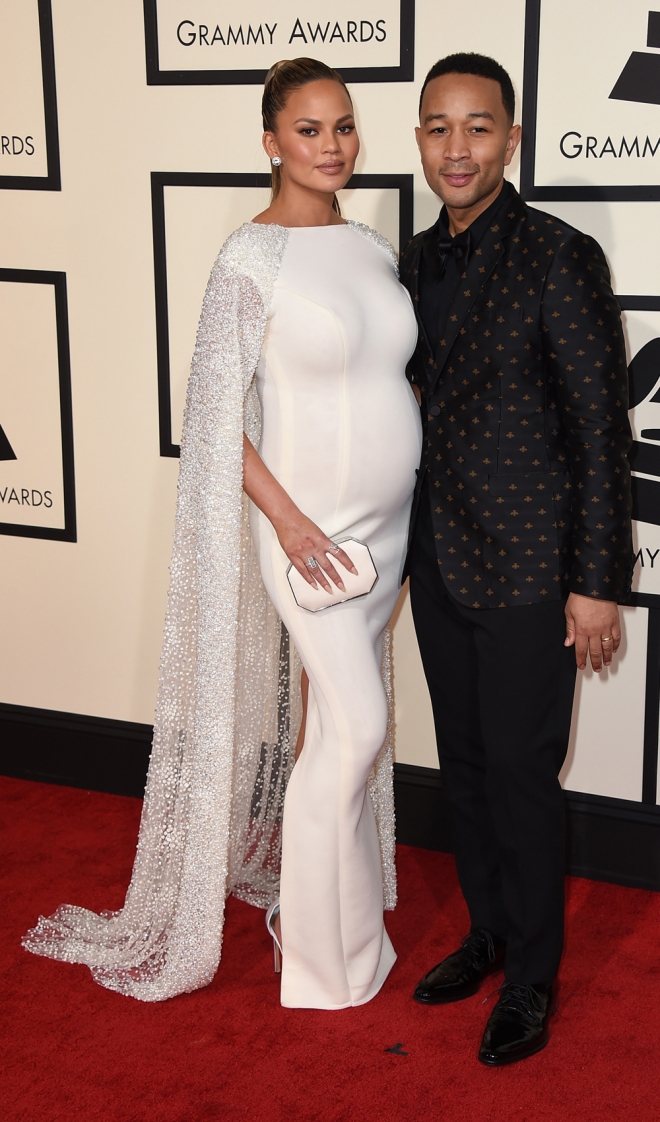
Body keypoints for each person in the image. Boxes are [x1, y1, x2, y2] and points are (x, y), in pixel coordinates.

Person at [23, 58, 422, 1010]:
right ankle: (323, 960)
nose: (333, 146)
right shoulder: (249, 259)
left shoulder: (371, 249)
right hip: (309, 535)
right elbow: (213, 416)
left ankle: (340, 927)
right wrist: (284, 521)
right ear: (270, 143)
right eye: (310, 129)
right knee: (356, 728)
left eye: (344, 126)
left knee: (339, 729)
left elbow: (389, 381)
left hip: (390, 530)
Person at [400, 53, 632, 1065]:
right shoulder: (406, 261)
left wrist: (596, 582)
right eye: (439, 128)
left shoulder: (558, 255)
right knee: (464, 771)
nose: (458, 149)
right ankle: (487, 932)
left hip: (535, 570)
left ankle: (532, 980)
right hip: (435, 562)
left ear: (513, 138)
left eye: (478, 127)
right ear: (420, 141)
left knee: (525, 779)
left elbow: (599, 430)